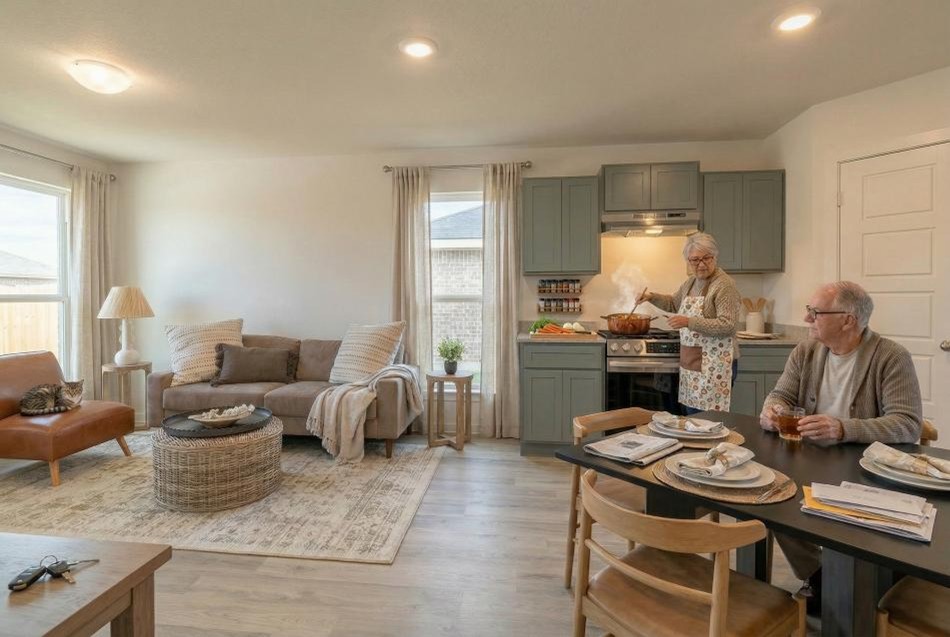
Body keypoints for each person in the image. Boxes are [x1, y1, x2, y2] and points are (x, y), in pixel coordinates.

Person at [760, 280, 923, 613]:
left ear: (848, 319)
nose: (807, 319)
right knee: (771, 500)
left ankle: (856, 587)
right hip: (810, 458)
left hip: (866, 468)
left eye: (815, 312)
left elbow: (907, 424)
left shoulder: (890, 356)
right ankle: (819, 576)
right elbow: (781, 394)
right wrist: (771, 409)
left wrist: (843, 428)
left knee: (851, 529)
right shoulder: (806, 351)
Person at [639, 232, 740, 415]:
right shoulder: (691, 282)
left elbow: (728, 326)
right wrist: (650, 297)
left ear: (715, 257)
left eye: (706, 258)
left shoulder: (724, 285)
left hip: (715, 365)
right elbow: (673, 303)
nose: (701, 264)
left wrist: (689, 322)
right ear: (688, 261)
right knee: (691, 423)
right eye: (695, 260)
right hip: (693, 363)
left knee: (706, 424)